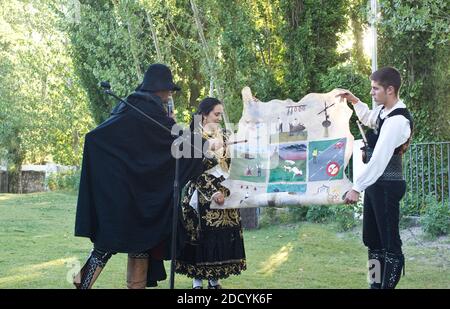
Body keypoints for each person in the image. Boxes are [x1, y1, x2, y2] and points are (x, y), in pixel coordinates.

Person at [73, 63, 205, 289]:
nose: (171, 94)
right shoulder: (147, 110)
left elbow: (159, 147)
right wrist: (200, 144)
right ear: (159, 88)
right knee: (107, 245)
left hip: (132, 195)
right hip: (130, 196)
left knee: (140, 245)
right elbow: (171, 142)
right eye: (169, 89)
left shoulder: (132, 107)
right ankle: (81, 283)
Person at [338, 67, 413, 289]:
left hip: (388, 186)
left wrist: (356, 187)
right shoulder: (384, 113)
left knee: (390, 245)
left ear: (390, 90)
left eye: (375, 88)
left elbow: (379, 159)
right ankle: (375, 284)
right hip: (376, 185)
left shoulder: (398, 120)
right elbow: (370, 118)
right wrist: (355, 101)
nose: (372, 92)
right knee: (373, 241)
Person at [175, 97, 246, 289]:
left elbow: (228, 164)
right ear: (204, 115)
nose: (219, 118)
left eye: (221, 115)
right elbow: (193, 171)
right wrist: (212, 192)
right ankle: (197, 281)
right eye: (216, 114)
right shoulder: (191, 136)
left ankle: (214, 279)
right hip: (201, 195)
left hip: (225, 195)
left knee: (220, 237)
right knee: (201, 237)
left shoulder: (223, 135)